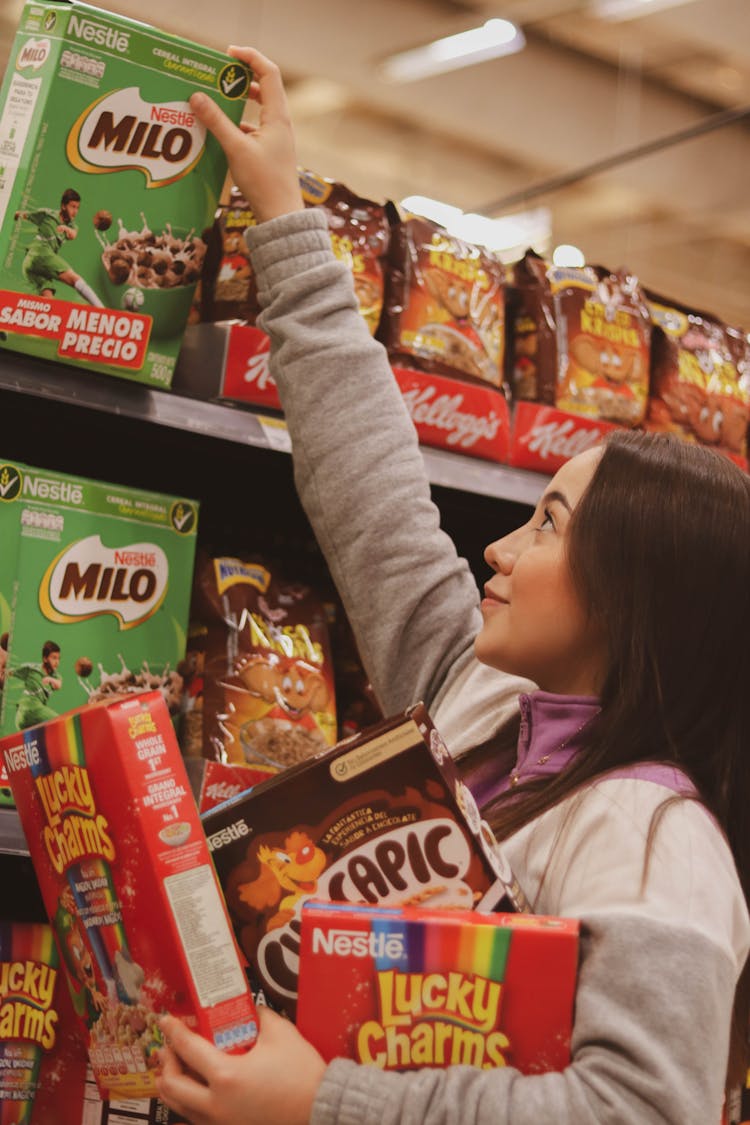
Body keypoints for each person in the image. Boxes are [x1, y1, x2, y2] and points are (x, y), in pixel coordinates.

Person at [155, 48, 750, 1125]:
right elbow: (370, 494)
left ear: (635, 598)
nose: (499, 552)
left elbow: (641, 1113)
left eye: (549, 523)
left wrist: (321, 1100)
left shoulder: (658, 841)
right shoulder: (474, 706)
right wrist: (283, 211)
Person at [14, 188, 103, 306]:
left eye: (77, 208)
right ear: (63, 206)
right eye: (73, 206)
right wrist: (16, 214)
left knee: (48, 302)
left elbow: (73, 235)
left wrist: (65, 228)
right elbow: (25, 215)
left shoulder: (72, 226)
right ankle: (102, 309)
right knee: (75, 279)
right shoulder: (47, 215)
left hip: (31, 268)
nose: (75, 211)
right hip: (40, 253)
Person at [8, 639, 63, 729]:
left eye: (58, 658)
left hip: (26, 718)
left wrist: (49, 679)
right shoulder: (31, 669)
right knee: (60, 722)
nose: (57, 662)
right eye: (54, 658)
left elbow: (58, 685)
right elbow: (9, 672)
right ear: (45, 659)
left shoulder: (55, 676)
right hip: (29, 709)